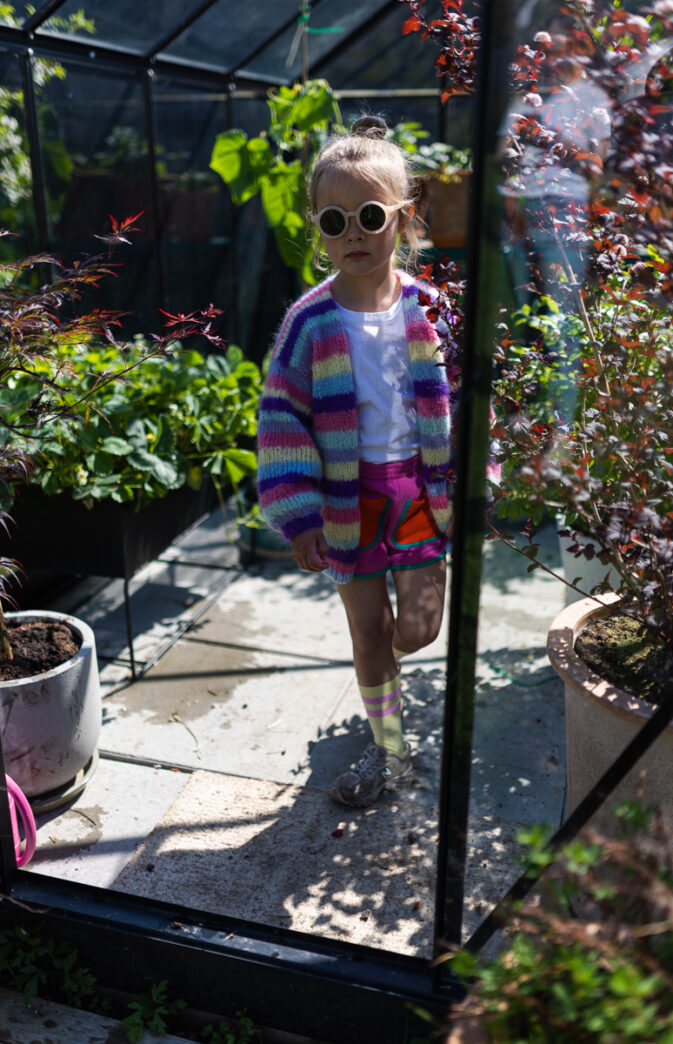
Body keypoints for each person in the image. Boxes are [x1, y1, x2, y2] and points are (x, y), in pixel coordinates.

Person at [257, 115, 454, 808]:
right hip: (346, 503)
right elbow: (281, 419)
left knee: (417, 629)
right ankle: (388, 746)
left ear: (404, 217)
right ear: (318, 229)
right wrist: (299, 516)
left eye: (370, 215)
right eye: (334, 221)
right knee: (368, 631)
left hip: (420, 494)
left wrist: (475, 483)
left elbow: (469, 402)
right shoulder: (310, 322)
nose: (354, 234)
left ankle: (383, 675)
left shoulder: (431, 310)